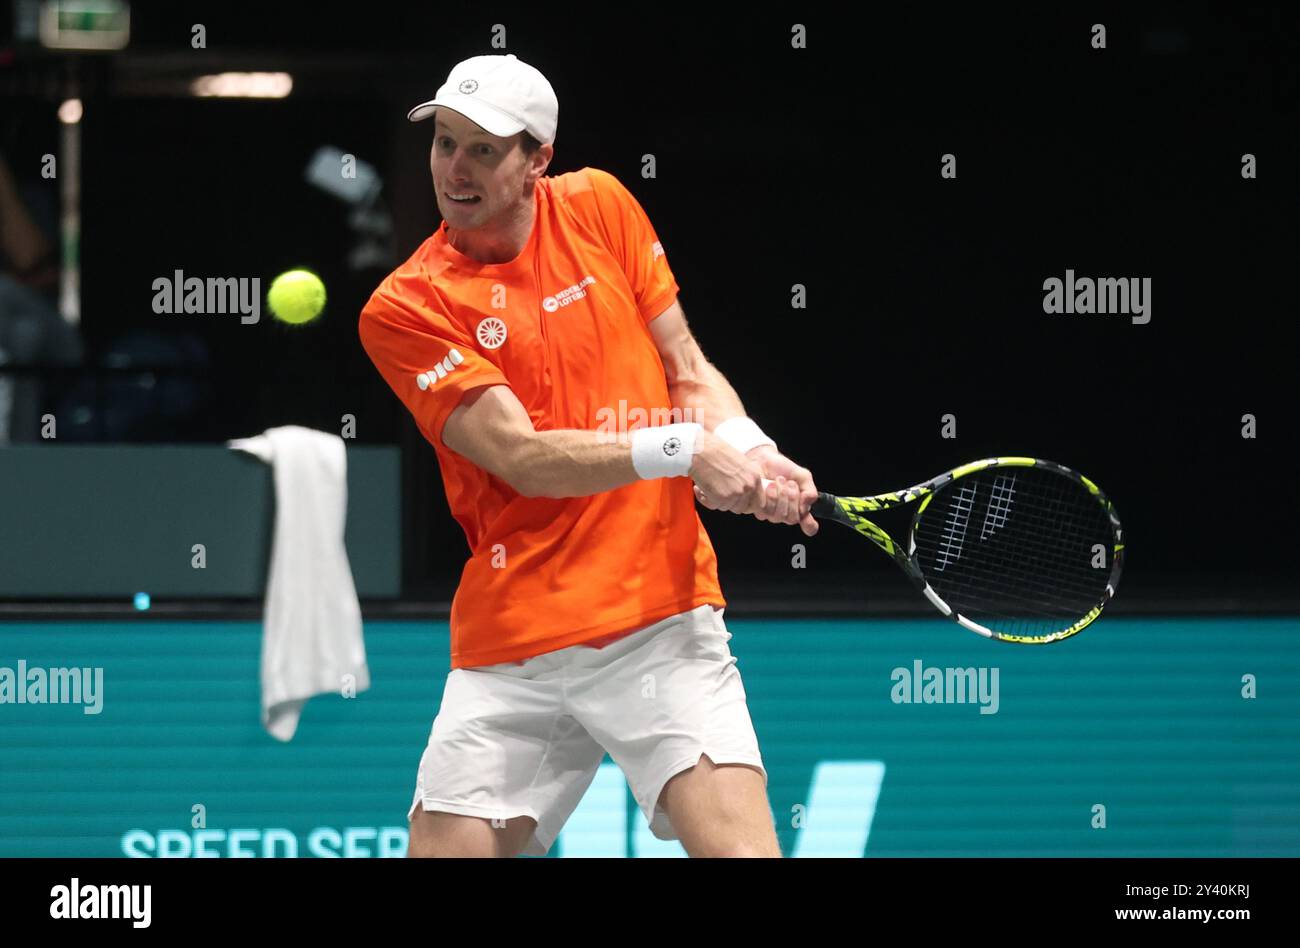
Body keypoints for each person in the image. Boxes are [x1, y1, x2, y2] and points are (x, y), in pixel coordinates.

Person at [359, 53, 819, 858]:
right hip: (515, 642)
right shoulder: (406, 305)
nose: (455, 169)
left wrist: (750, 449)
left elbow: (686, 368)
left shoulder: (601, 206)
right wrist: (686, 450)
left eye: (483, 149)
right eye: (444, 142)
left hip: (659, 618)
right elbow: (520, 456)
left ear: (538, 158)